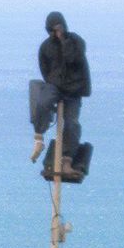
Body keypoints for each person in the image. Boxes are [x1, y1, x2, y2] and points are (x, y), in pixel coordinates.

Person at [30, 11, 91, 166]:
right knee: (43, 102)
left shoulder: (76, 41)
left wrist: (64, 40)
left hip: (74, 89)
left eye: (59, 27)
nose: (56, 32)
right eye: (53, 29)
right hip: (55, 85)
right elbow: (44, 68)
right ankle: (39, 136)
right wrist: (53, 81)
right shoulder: (45, 47)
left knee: (72, 123)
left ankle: (67, 157)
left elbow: (73, 58)